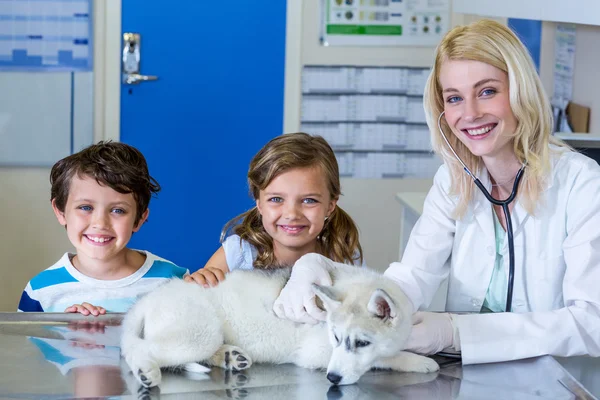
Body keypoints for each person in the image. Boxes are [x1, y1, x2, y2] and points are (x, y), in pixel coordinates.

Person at [273, 19, 600, 364]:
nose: (470, 113)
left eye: (487, 91)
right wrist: (322, 270)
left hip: (561, 380)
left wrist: (455, 332)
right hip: (472, 375)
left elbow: (591, 322)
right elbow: (411, 280)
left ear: (520, 91)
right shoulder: (454, 180)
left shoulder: (582, 185)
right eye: (455, 98)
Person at [184, 133, 364, 321]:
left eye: (309, 200)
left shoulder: (344, 259)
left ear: (330, 205)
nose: (292, 214)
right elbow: (198, 308)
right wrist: (198, 284)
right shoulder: (237, 254)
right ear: (259, 204)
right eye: (276, 199)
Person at [18, 141, 188, 315]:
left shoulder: (174, 281)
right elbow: (27, 342)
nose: (100, 223)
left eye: (118, 210)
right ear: (61, 211)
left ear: (139, 219)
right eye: (85, 207)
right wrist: (66, 334)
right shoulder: (40, 291)